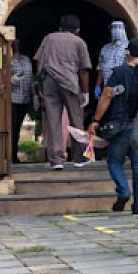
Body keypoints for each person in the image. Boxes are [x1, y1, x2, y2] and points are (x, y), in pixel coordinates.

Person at [88, 39, 138, 213]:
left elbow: (107, 95)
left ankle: (123, 190)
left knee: (114, 161)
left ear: (128, 52)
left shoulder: (119, 72)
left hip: (121, 123)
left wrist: (96, 119)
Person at [35, 14, 92, 170]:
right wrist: (86, 92)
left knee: (53, 121)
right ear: (77, 30)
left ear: (60, 28)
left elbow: (38, 60)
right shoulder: (79, 42)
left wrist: (40, 80)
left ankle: (56, 160)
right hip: (70, 83)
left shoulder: (49, 38)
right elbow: (83, 70)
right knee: (76, 120)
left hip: (49, 81)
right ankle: (79, 157)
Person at [9, 40, 36, 163]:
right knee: (12, 127)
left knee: (17, 127)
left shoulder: (26, 59)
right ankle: (11, 156)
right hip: (12, 98)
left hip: (25, 99)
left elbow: (31, 78)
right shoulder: (6, 59)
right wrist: (10, 80)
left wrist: (35, 96)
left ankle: (14, 155)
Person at [96, 20, 129, 100]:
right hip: (106, 87)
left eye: (119, 28)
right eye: (113, 28)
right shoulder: (105, 48)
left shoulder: (129, 47)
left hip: (122, 87)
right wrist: (97, 85)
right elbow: (100, 67)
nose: (116, 30)